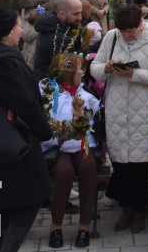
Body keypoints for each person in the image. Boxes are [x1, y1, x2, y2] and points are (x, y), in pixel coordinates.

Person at [0, 8, 53, 252]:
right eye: (18, 26)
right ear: (6, 32)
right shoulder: (5, 60)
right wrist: (44, 133)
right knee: (34, 195)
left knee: (2, 202)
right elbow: (24, 102)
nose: (20, 31)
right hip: (11, 141)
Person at [90, 5, 148, 234]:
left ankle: (140, 210)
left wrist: (133, 74)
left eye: (131, 31)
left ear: (140, 24)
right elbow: (94, 68)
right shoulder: (112, 37)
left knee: (141, 165)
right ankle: (126, 208)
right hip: (116, 108)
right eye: (123, 31)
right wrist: (106, 68)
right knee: (121, 163)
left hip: (144, 108)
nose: (127, 35)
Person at [43, 53, 100, 249]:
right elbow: (46, 126)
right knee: (64, 172)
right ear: (68, 73)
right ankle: (55, 226)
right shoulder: (49, 94)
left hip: (83, 146)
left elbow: (95, 120)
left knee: (89, 167)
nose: (82, 72)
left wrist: (86, 122)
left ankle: (84, 225)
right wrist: (66, 132)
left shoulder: (85, 95)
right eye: (79, 69)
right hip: (58, 148)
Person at [33, 0, 82, 80]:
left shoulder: (52, 25)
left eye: (80, 13)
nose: (80, 18)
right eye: (75, 14)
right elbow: (68, 74)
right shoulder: (59, 39)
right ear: (62, 14)